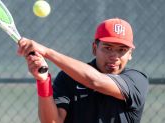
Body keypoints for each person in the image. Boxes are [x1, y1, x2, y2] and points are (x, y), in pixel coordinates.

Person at [18, 18, 149, 123]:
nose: (114, 56)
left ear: (130, 54)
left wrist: (47, 52)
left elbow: (96, 81)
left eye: (122, 50)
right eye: (108, 48)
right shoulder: (68, 78)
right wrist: (43, 81)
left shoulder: (137, 81)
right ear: (94, 48)